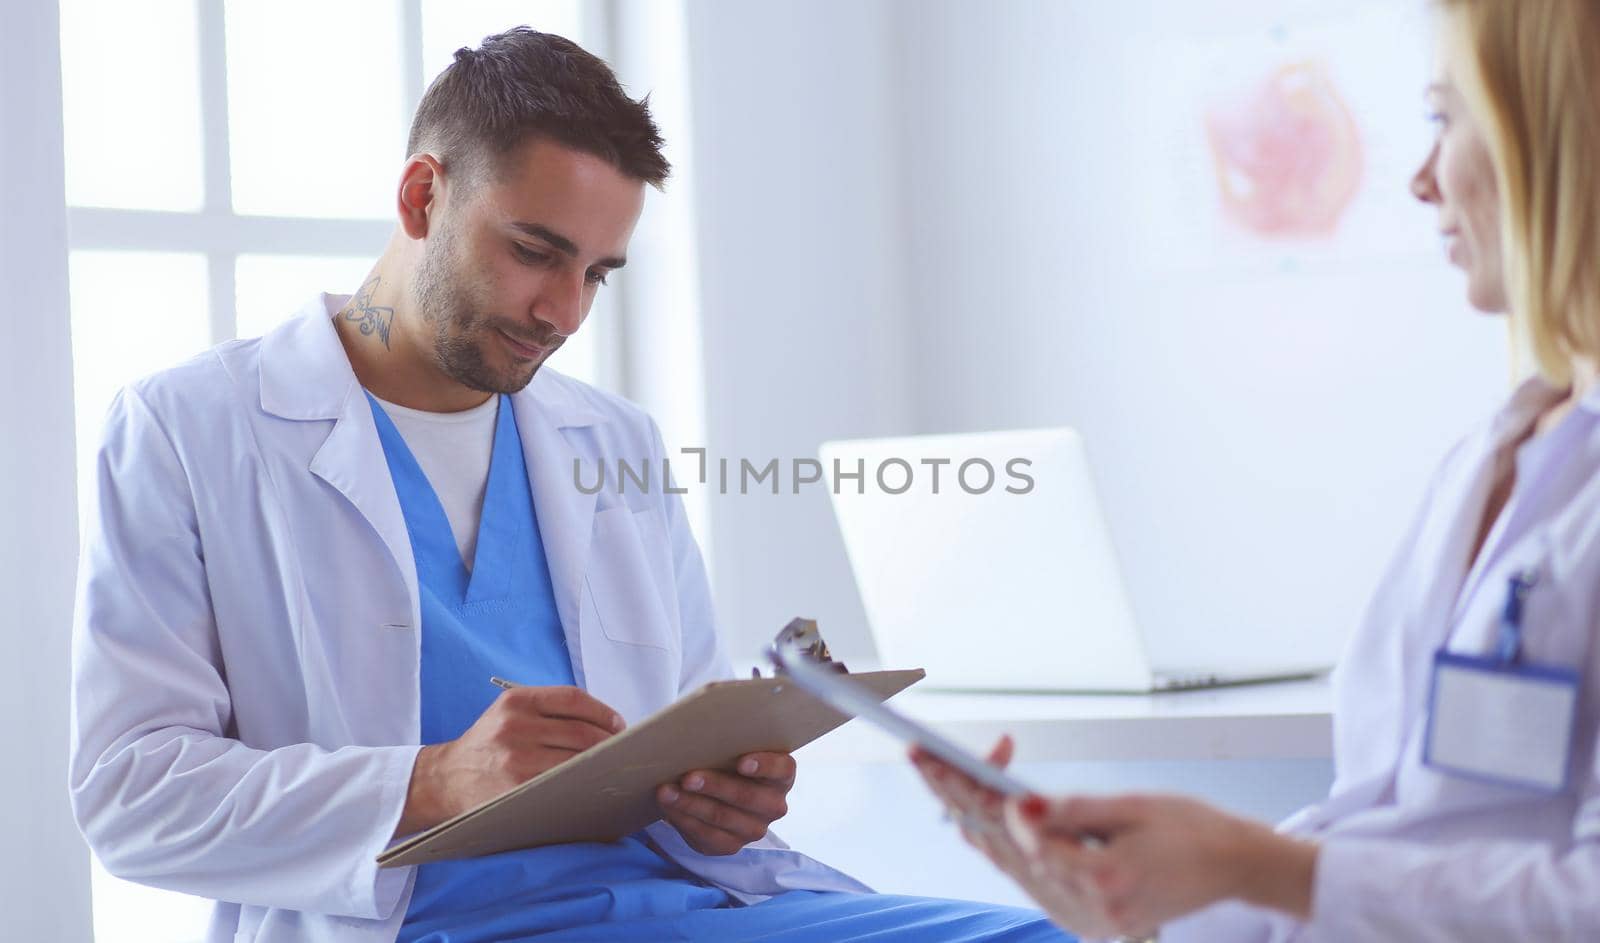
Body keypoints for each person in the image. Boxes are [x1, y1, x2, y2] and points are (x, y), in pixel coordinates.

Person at [68, 27, 1062, 943]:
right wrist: (432, 781)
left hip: (679, 903)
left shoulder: (614, 440)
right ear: (422, 198)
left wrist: (718, 809)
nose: (563, 310)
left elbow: (675, 735)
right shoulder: (190, 428)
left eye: (598, 272)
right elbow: (130, 797)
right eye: (534, 252)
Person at [913, 1, 1600, 939]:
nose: (1422, 180)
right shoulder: (1501, 449)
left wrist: (1253, 865)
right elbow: (1376, 830)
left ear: (1560, 133)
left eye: (1445, 118)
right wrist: (1133, 900)